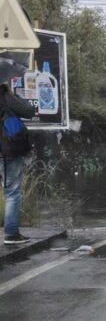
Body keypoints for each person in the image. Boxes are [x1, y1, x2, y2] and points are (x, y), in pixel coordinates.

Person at [0, 83, 35, 244]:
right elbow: (29, 111)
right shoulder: (5, 95)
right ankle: (11, 233)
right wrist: (12, 95)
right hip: (8, 151)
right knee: (12, 193)